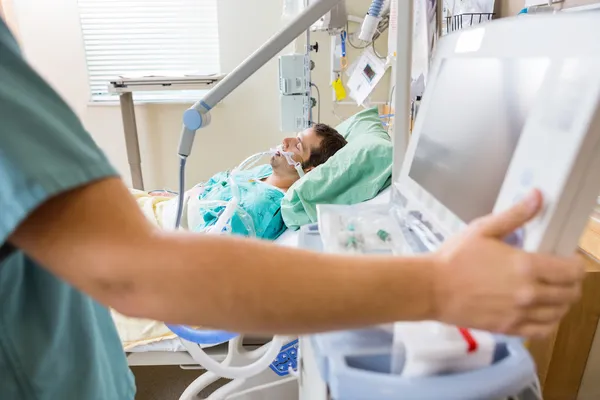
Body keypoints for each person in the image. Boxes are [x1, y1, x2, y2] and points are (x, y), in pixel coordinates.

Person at [0, 17, 584, 400]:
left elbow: (142, 258)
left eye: (302, 147)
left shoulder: (285, 193)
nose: (286, 145)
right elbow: (132, 264)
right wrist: (438, 287)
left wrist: (431, 285)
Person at [133, 124, 347, 239]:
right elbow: (214, 189)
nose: (286, 141)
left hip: (161, 230)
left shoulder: (266, 206)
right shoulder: (261, 171)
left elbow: (206, 249)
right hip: (165, 207)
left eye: (297, 146)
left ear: (309, 169)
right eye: (294, 136)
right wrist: (174, 198)